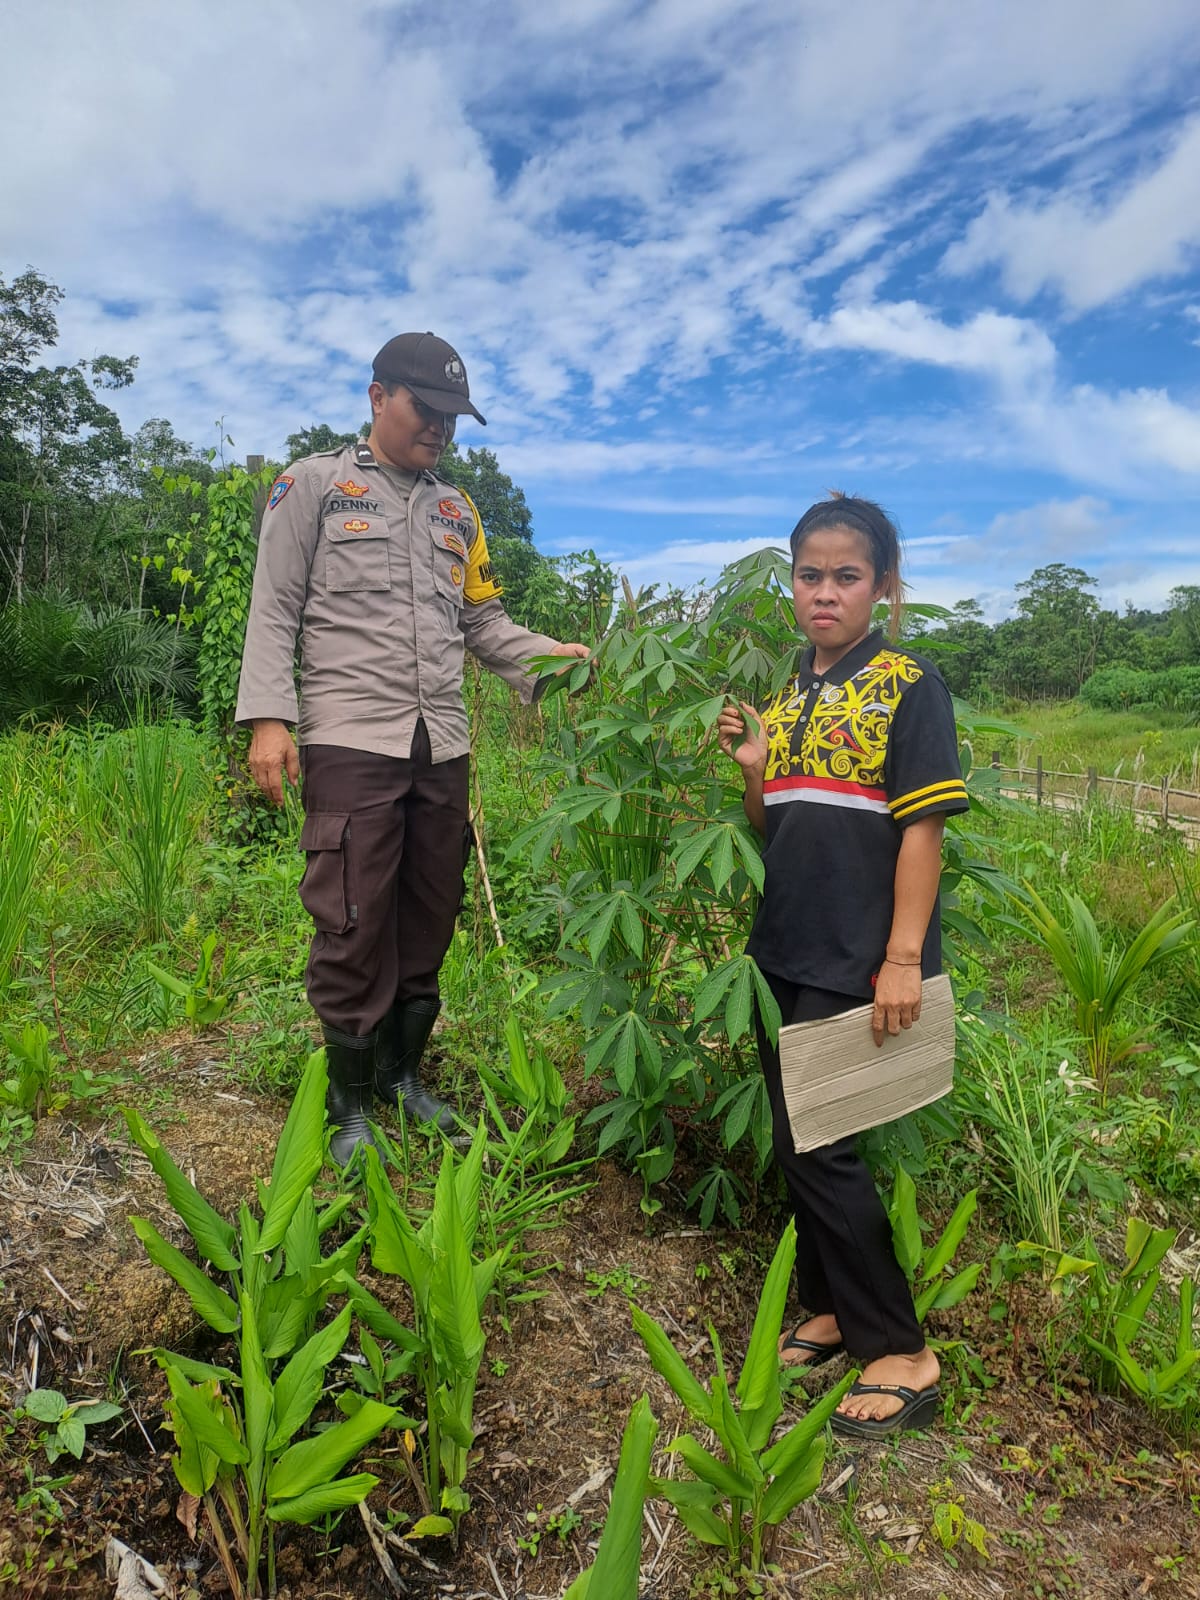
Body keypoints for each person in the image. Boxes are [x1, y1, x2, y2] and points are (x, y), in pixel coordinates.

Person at [235, 331, 588, 1164]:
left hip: (443, 745)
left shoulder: (457, 512)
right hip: (353, 736)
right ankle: (348, 1105)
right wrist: (269, 719)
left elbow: (484, 622)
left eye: (452, 419)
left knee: (431, 909)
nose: (440, 430)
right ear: (377, 396)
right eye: (425, 410)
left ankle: (399, 1077)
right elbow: (274, 607)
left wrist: (555, 663)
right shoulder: (315, 487)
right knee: (353, 917)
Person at [716, 493, 968, 1439]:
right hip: (786, 941)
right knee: (796, 1142)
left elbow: (922, 829)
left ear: (884, 588)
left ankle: (901, 1348)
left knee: (826, 1148)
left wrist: (902, 957)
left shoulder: (910, 683)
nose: (824, 593)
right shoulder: (794, 687)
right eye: (809, 576)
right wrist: (753, 768)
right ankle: (828, 1309)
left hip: (861, 952)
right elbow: (777, 828)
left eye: (846, 577)